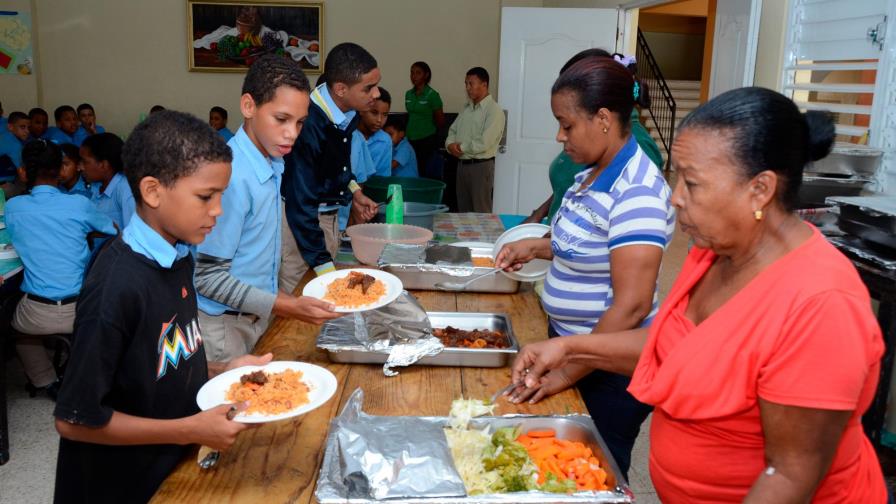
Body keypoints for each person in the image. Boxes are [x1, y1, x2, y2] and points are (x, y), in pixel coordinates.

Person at [508, 87, 890, 503]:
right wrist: (570, 349)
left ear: (759, 190)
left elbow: (789, 476)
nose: (674, 198)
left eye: (692, 183)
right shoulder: (716, 252)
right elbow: (679, 345)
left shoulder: (821, 303)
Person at [53, 110, 271, 503]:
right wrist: (190, 429)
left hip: (170, 468)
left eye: (222, 195)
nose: (218, 210)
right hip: (118, 485)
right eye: (206, 196)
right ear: (153, 191)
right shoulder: (116, 286)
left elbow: (158, 361)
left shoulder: (180, 255)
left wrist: (223, 370)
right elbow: (73, 421)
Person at [495, 57, 674, 477]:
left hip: (608, 368)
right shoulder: (588, 176)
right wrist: (537, 247)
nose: (560, 136)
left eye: (567, 125)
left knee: (596, 471)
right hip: (572, 347)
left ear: (605, 119)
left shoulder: (639, 193)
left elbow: (630, 307)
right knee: (558, 465)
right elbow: (584, 243)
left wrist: (566, 371)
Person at [195, 54, 341, 362]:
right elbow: (207, 277)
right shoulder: (233, 176)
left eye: (300, 122)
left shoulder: (272, 162)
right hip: (224, 328)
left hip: (254, 318)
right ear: (249, 106)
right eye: (281, 119)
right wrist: (287, 305)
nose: (293, 133)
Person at [6, 139, 115, 398]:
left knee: (13, 324)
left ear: (23, 171)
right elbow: (114, 229)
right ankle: (78, 373)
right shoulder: (78, 204)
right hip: (81, 309)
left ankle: (46, 380)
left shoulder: (13, 207)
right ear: (61, 169)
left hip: (36, 312)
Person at [280, 42, 379, 294]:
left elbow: (336, 163)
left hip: (327, 219)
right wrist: (324, 267)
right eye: (369, 88)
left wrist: (354, 191)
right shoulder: (307, 125)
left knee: (322, 300)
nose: (376, 94)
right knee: (303, 302)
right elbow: (299, 204)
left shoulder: (346, 112)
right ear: (341, 89)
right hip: (303, 227)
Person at [524, 50, 663, 225]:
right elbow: (569, 189)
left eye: (567, 126)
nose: (560, 136)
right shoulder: (592, 149)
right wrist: (541, 220)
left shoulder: (637, 156)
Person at [445, 66, 505, 213]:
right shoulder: (467, 108)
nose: (467, 87)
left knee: (481, 212)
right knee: (464, 212)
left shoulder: (494, 111)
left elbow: (484, 142)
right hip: (462, 166)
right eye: (466, 84)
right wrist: (449, 145)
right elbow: (452, 130)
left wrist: (460, 148)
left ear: (484, 85)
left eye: (471, 83)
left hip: (481, 167)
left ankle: (485, 238)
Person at [336, 89, 392, 231]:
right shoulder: (350, 135)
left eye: (384, 115)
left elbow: (361, 181)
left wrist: (357, 208)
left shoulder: (382, 141)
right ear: (361, 109)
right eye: (374, 113)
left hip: (360, 205)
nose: (379, 120)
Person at [81, 132, 136, 229]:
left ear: (103, 165)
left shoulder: (125, 189)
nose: (80, 167)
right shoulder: (96, 187)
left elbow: (134, 234)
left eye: (85, 162)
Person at [405, 61, 445, 177]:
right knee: (412, 171)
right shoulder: (408, 94)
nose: (414, 76)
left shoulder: (432, 95)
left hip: (426, 141)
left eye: (418, 73)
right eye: (412, 73)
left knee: (424, 172)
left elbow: (441, 121)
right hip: (410, 140)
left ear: (426, 75)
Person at [0, 111, 29, 182]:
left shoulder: (4, 136)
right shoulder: (14, 144)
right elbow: (23, 177)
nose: (27, 131)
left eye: (28, 127)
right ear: (10, 127)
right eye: (22, 127)